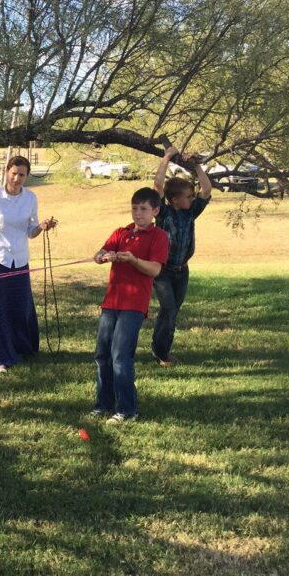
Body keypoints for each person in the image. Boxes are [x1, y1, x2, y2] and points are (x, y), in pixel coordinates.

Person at [91, 187, 169, 423]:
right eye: (135, 208)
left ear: (155, 211)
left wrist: (133, 260)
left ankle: (127, 409)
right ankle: (103, 404)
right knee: (102, 354)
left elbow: (155, 269)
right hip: (111, 302)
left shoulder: (158, 237)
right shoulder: (121, 232)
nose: (138, 214)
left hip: (134, 305)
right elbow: (101, 252)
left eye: (143, 209)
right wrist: (102, 255)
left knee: (120, 356)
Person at [0, 156, 57, 373]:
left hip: (20, 261)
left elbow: (30, 232)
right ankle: (2, 359)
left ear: (26, 176)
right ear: (7, 172)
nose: (17, 178)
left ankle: (23, 349)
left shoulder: (30, 198)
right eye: (14, 173)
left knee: (22, 309)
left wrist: (42, 227)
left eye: (22, 174)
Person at [151, 143, 212, 365]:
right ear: (175, 199)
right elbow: (157, 186)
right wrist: (166, 158)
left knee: (172, 312)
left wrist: (197, 167)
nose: (192, 198)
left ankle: (161, 350)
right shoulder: (163, 212)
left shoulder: (191, 213)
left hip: (181, 270)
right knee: (167, 308)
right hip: (162, 270)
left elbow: (206, 190)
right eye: (188, 196)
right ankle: (161, 353)